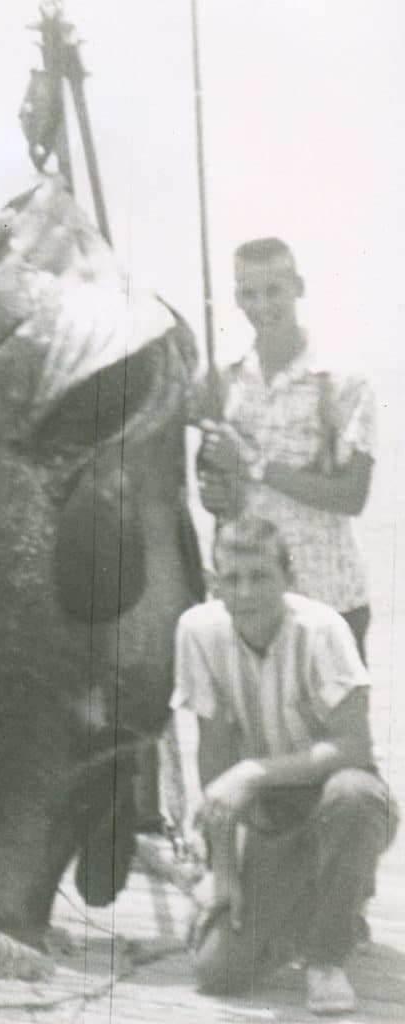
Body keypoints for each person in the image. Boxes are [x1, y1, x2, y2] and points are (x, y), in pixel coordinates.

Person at [171, 515, 397, 1015]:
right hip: (269, 815)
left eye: (260, 576)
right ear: (214, 582)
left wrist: (253, 772)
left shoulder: (323, 629)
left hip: (339, 797)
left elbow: (354, 746)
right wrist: (224, 870)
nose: (245, 592)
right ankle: (324, 897)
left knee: (354, 797)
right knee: (218, 973)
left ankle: (326, 956)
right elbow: (213, 756)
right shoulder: (197, 631)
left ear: (288, 578)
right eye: (231, 578)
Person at [197, 238, 375, 661]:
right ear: (237, 297)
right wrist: (214, 491)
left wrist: (254, 464)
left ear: (299, 287)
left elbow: (352, 496)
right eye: (249, 292)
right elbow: (217, 485)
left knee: (337, 730)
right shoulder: (224, 381)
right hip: (249, 604)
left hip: (329, 602)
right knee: (254, 728)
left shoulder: (343, 380)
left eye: (274, 289)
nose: (261, 304)